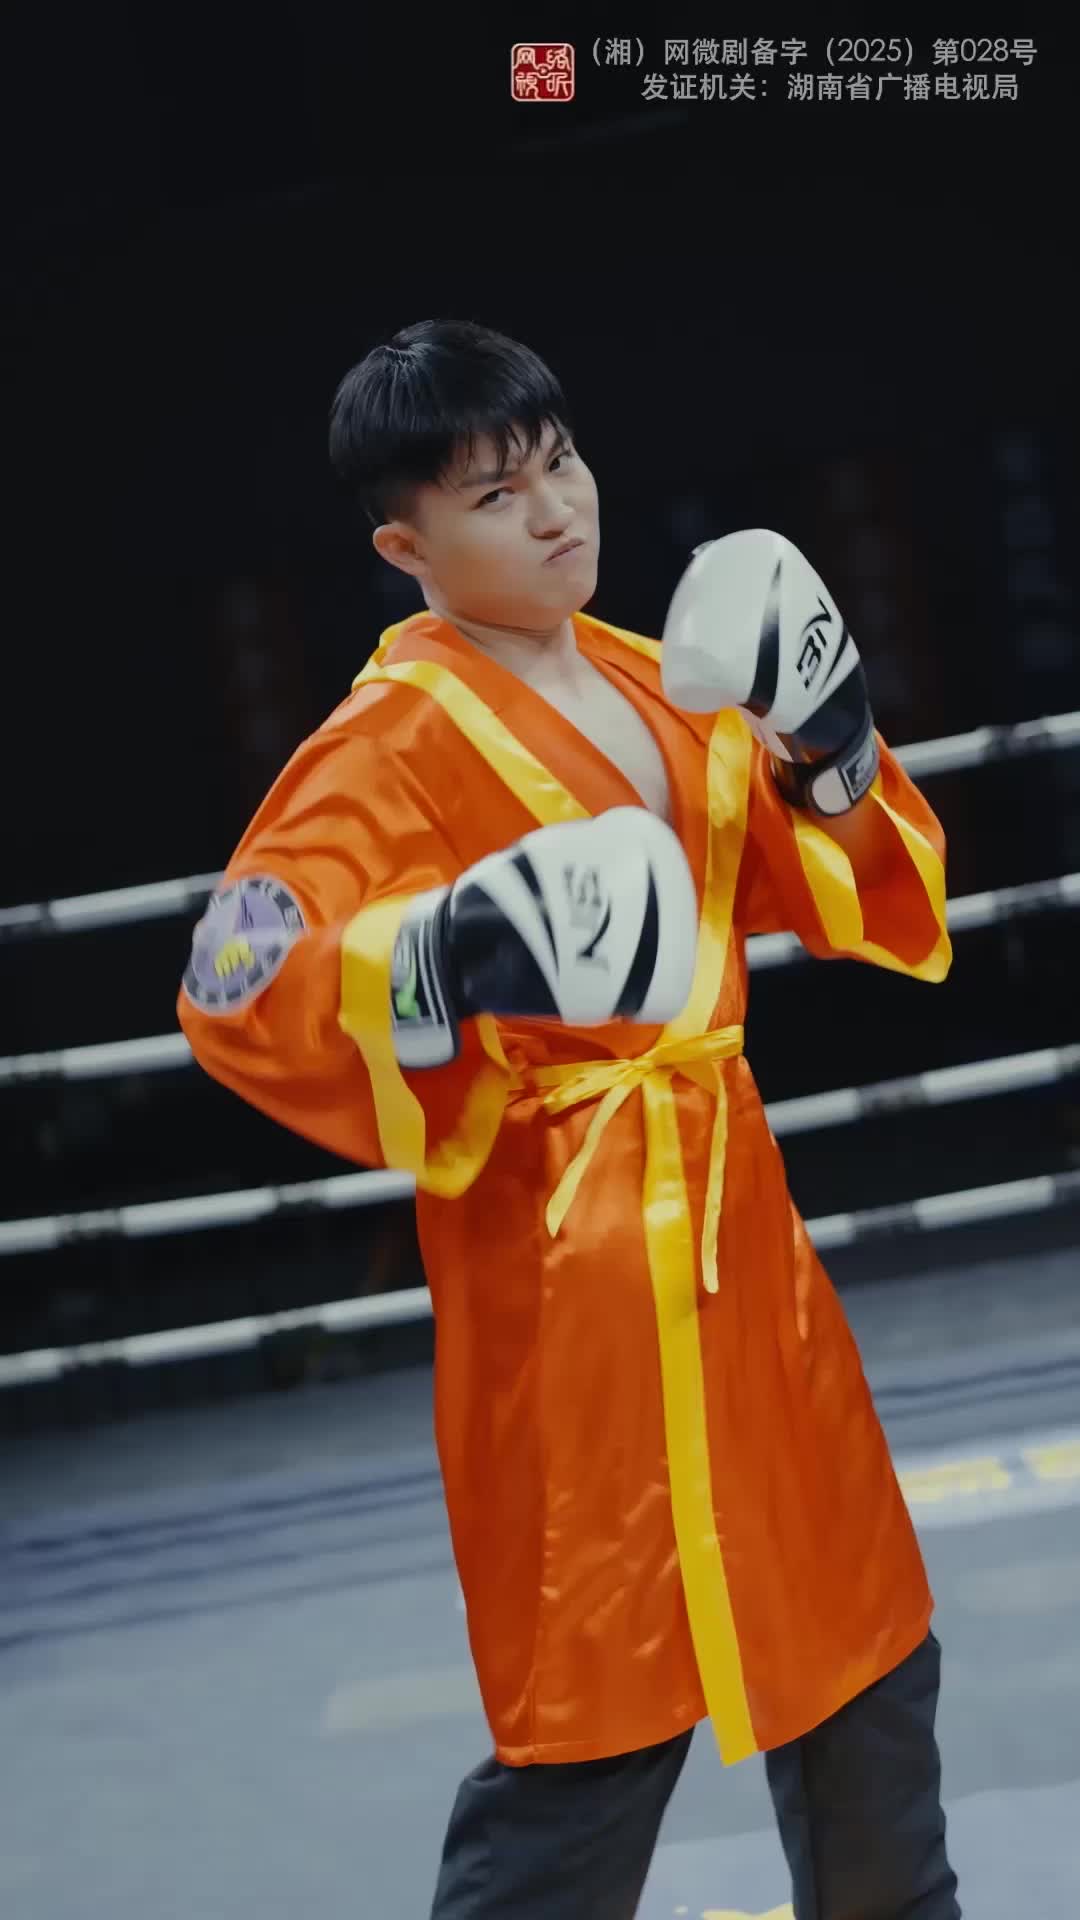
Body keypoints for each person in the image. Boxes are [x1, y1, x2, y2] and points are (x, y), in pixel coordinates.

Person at [177, 318, 961, 1918]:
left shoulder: (665, 680)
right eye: (495, 496)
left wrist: (832, 746)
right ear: (405, 547)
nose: (555, 513)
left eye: (561, 464)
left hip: (745, 1253)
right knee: (591, 1719)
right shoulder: (380, 750)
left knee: (862, 1649)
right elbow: (235, 983)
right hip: (563, 1283)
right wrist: (446, 954)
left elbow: (845, 887)